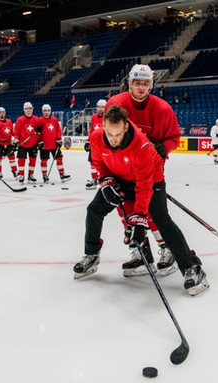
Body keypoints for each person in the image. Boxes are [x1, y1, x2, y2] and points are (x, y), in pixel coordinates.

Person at [74, 105, 209, 296]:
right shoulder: (96, 137)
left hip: (150, 179)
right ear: (103, 126)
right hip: (120, 176)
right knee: (94, 210)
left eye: (118, 135)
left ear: (126, 128)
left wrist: (138, 218)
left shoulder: (141, 146)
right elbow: (99, 162)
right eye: (110, 134)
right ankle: (91, 255)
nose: (113, 140)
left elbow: (144, 187)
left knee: (161, 219)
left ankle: (192, 267)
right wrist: (106, 181)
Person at [106, 63, 183, 277]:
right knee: (127, 212)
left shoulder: (163, 109)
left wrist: (163, 147)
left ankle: (167, 249)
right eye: (136, 82)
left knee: (152, 212)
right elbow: (106, 134)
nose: (141, 87)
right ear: (129, 83)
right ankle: (140, 252)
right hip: (122, 170)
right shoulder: (116, 103)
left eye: (145, 83)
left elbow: (174, 137)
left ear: (152, 85)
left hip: (149, 171)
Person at [39, 104, 70, 183]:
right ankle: (44, 175)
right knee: (44, 161)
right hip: (44, 144)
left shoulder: (54, 120)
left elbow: (58, 130)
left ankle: (62, 174)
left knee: (59, 159)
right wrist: (40, 141)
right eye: (45, 111)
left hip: (54, 144)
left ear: (50, 111)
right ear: (42, 111)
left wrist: (59, 140)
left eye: (48, 110)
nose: (46, 112)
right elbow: (38, 133)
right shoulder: (40, 120)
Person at [13, 102, 43, 184]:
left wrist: (39, 138)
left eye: (30, 108)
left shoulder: (37, 119)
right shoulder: (20, 119)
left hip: (33, 144)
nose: (28, 110)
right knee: (21, 160)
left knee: (33, 160)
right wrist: (16, 140)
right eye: (26, 109)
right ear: (24, 110)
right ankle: (21, 175)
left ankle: (31, 175)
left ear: (32, 109)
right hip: (23, 144)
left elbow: (39, 132)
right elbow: (16, 132)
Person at [0, 107, 18, 180]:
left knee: (12, 158)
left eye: (3, 112)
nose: (2, 114)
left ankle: (15, 171)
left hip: (8, 143)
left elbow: (12, 132)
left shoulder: (9, 121)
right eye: (0, 112)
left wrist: (15, 139)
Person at [85, 99, 106, 190]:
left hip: (105, 144)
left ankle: (104, 179)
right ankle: (94, 179)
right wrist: (88, 141)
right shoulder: (94, 117)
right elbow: (92, 130)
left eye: (103, 107)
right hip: (94, 144)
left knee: (105, 163)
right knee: (92, 162)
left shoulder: (108, 117)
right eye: (99, 107)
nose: (100, 109)